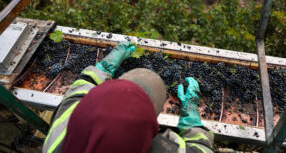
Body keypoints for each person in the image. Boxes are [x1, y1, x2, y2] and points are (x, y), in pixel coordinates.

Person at [43, 42, 214, 153]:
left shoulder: (66, 129)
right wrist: (192, 120)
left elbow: (77, 94)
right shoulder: (161, 148)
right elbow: (200, 150)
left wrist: (102, 68)